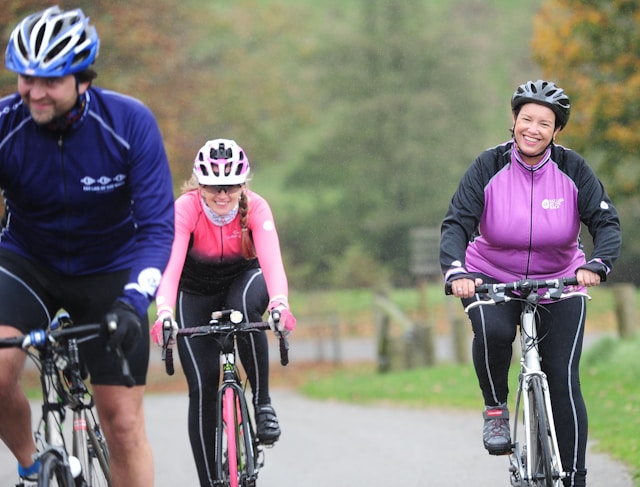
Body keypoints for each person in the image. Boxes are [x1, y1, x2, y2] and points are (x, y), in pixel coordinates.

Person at [0, 6, 174, 486]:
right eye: (25, 79)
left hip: (112, 270)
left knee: (121, 421)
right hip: (27, 261)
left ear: (82, 80)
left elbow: (158, 226)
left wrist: (133, 300)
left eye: (49, 82)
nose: (33, 93)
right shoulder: (5, 125)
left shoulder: (129, 122)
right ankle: (33, 463)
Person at [439, 79, 621, 487]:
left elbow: (606, 222)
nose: (533, 129)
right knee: (493, 328)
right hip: (491, 276)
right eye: (526, 119)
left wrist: (597, 264)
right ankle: (494, 410)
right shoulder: (488, 165)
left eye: (544, 122)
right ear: (514, 121)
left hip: (561, 280)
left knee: (562, 379)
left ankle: (574, 478)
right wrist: (456, 270)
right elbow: (457, 224)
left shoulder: (573, 169)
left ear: (556, 131)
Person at [151, 137, 296, 486]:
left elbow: (273, 263)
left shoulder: (256, 208)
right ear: (199, 184)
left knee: (243, 309)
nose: (222, 194)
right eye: (213, 186)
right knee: (201, 388)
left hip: (242, 281)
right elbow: (169, 267)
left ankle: (261, 404)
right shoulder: (185, 209)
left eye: (230, 186)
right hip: (194, 291)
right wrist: (165, 311)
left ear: (242, 184)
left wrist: (280, 304)